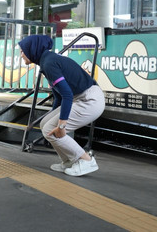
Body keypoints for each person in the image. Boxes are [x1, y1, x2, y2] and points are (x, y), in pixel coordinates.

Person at [18, 34, 105, 177]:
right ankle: (69, 161)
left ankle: (86, 160)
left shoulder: (49, 63)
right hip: (81, 98)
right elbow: (58, 95)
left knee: (51, 129)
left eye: (22, 51)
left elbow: (67, 94)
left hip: (90, 101)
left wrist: (61, 125)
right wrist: (53, 116)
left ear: (32, 49)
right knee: (45, 124)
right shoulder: (47, 61)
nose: (21, 55)